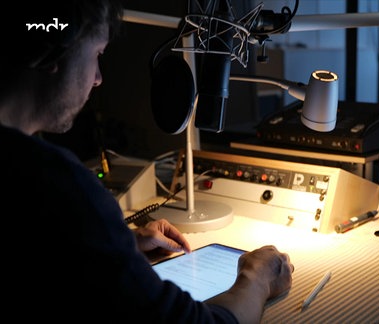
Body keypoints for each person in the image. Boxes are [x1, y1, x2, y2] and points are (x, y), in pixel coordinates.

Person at [1, 1, 293, 322]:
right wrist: (257, 278)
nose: (98, 78)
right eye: (98, 54)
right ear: (55, 47)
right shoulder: (58, 185)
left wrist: (117, 245)